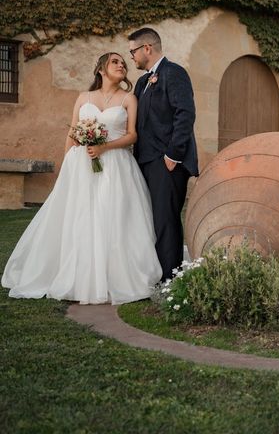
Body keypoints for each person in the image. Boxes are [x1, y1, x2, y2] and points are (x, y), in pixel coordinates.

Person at [2, 53, 162, 304]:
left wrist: (104, 147)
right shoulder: (83, 98)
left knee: (113, 215)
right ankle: (78, 274)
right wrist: (68, 166)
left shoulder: (128, 98)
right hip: (81, 166)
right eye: (115, 62)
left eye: (124, 63)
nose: (121, 66)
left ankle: (115, 276)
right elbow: (72, 134)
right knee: (81, 217)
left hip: (116, 165)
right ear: (101, 69)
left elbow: (132, 136)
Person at [128, 28, 198, 281]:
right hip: (144, 161)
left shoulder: (174, 73)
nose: (131, 57)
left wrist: (172, 156)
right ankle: (152, 272)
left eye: (133, 51)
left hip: (166, 162)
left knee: (166, 220)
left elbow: (185, 114)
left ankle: (169, 279)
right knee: (150, 220)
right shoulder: (142, 82)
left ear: (147, 48)